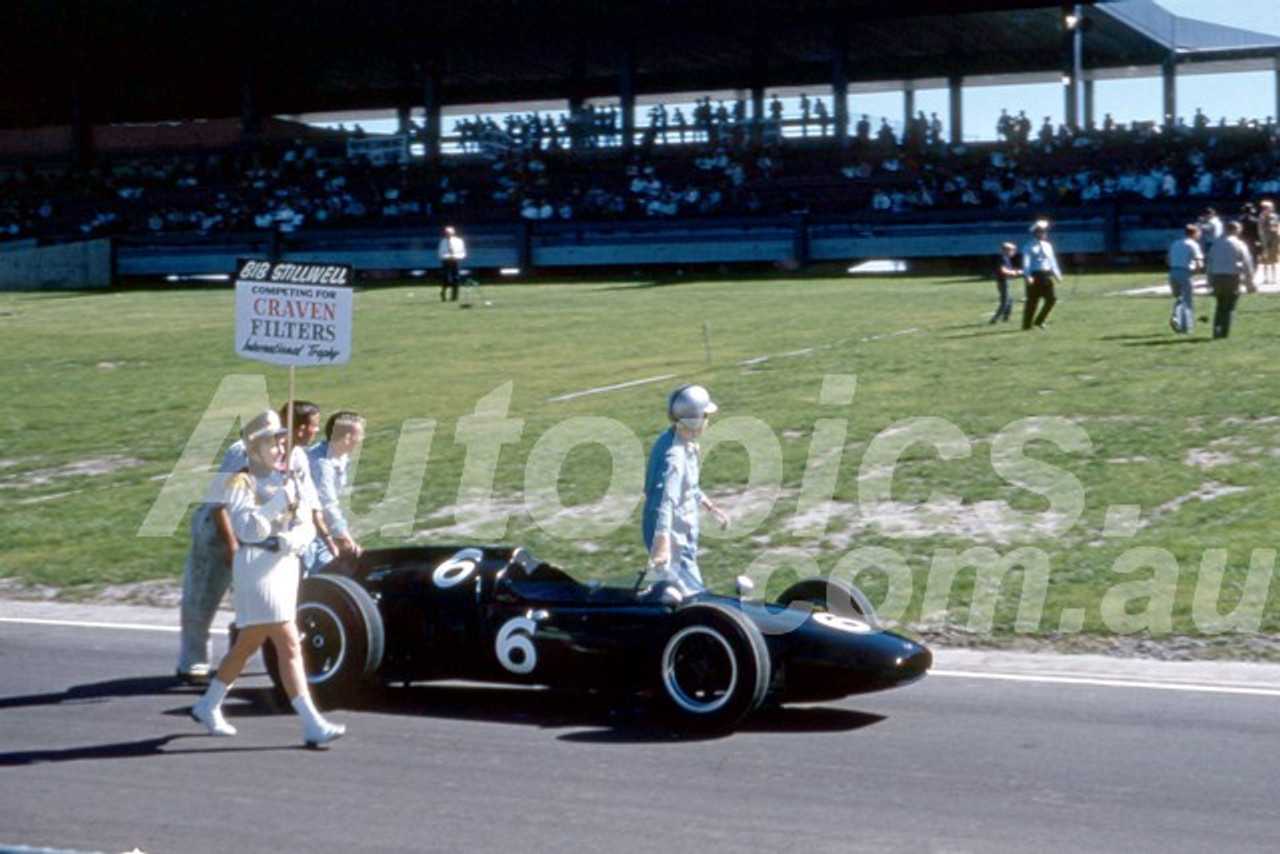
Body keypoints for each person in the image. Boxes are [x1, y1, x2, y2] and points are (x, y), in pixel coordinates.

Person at [190, 409, 346, 748]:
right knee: (287, 642)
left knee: (249, 643)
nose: (280, 447)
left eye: (280, 441)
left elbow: (305, 517)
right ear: (255, 446)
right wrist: (279, 500)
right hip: (256, 565)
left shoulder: (288, 475)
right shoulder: (241, 481)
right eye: (272, 442)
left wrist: (298, 538)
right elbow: (248, 528)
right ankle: (311, 723)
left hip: (285, 565)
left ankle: (209, 703)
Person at [641, 384, 728, 597]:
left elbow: (689, 486)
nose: (708, 421)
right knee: (688, 594)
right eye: (706, 416)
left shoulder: (680, 441)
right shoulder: (675, 455)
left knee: (677, 587)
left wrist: (708, 504)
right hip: (671, 532)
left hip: (682, 528)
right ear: (696, 419)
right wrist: (662, 543)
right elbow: (664, 500)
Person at [174, 438, 248, 685]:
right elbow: (220, 503)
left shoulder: (292, 454)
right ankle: (192, 664)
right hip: (216, 535)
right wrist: (230, 543)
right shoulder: (241, 452)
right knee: (201, 600)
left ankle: (237, 655)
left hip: (250, 535)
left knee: (254, 602)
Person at [305, 410, 366, 573]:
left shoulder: (340, 456)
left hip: (321, 526)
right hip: (309, 528)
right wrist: (344, 538)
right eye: (359, 434)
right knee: (322, 573)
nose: (362, 439)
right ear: (346, 438)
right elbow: (327, 505)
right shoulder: (322, 465)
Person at [1204, 220, 1256, 340]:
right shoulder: (1239, 244)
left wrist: (1209, 281)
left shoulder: (1216, 244)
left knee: (1219, 305)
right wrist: (1250, 282)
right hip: (1232, 277)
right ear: (1236, 230)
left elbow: (1209, 263)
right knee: (1229, 306)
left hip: (1217, 277)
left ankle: (1217, 330)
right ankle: (1224, 332)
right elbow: (1247, 264)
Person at [1020, 220, 1062, 330]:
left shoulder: (1048, 245)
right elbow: (1026, 263)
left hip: (1046, 275)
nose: (1044, 233)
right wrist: (1027, 276)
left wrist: (1057, 273)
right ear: (1035, 232)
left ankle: (1039, 321)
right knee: (1032, 301)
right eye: (1041, 231)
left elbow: (1052, 260)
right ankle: (1027, 325)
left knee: (1051, 300)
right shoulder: (1028, 246)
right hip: (1034, 275)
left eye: (1044, 231)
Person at [1167, 223, 1203, 334]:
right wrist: (1196, 272)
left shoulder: (1175, 243)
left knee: (1179, 298)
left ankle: (1176, 316)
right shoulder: (1193, 244)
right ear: (1194, 233)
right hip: (1185, 272)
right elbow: (1199, 262)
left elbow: (1168, 259)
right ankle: (1186, 328)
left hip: (1173, 271)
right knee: (1187, 301)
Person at [990, 242, 1020, 324]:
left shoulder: (1006, 259)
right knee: (1005, 302)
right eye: (1012, 250)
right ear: (1006, 251)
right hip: (1003, 282)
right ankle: (995, 319)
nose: (1014, 252)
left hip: (1004, 281)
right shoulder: (1003, 259)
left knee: (1010, 300)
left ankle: (1006, 318)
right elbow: (1003, 270)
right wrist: (1014, 272)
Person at [438, 224, 467, 302]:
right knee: (446, 278)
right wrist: (448, 257)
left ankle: (454, 296)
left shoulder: (459, 241)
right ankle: (444, 293)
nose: (448, 234)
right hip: (446, 261)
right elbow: (441, 253)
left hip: (455, 261)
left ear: (453, 233)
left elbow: (463, 252)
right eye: (446, 233)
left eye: (449, 233)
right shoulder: (443, 241)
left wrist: (456, 257)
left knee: (456, 279)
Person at [1258, 199, 1279, 286]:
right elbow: (1260, 230)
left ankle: (1274, 278)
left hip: (1274, 240)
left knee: (1274, 260)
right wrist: (1263, 241)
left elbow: (1278, 227)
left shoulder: (1275, 216)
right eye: (1265, 207)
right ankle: (1266, 278)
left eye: (1268, 207)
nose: (1266, 209)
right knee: (1266, 260)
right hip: (1266, 240)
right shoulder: (1262, 217)